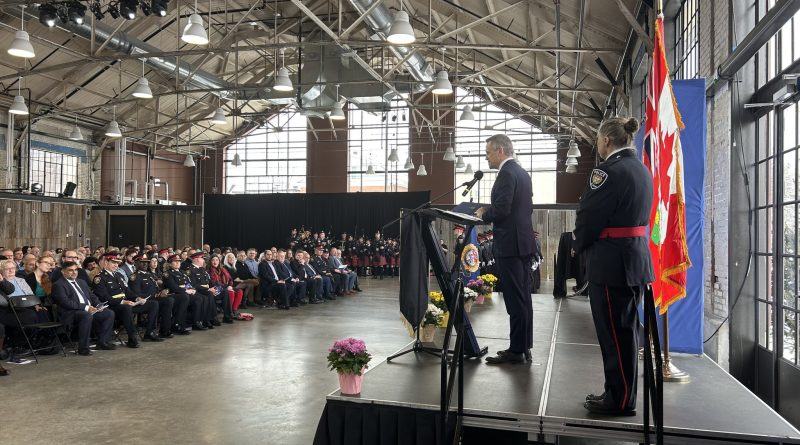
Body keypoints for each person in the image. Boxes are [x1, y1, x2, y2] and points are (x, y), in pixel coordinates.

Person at [572, 117, 653, 417]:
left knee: (614, 333)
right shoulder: (642, 169)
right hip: (634, 260)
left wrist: (577, 246)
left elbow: (589, 217)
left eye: (597, 138)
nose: (596, 143)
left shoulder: (606, 173)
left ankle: (618, 399)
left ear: (606, 140)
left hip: (610, 263)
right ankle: (619, 392)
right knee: (627, 331)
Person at [475, 134, 534, 365]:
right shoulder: (521, 172)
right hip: (522, 242)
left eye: (488, 152)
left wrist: (483, 214)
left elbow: (503, 209)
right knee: (523, 298)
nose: (486, 157)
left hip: (511, 245)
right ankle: (523, 346)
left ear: (500, 151)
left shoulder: (507, 173)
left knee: (514, 298)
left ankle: (517, 351)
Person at [91, 253, 162, 347]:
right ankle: (132, 338)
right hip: (113, 306)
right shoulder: (99, 278)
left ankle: (149, 333)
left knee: (153, 304)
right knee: (126, 308)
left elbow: (128, 291)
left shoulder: (118, 276)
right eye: (113, 263)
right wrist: (122, 302)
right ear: (106, 262)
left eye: (117, 263)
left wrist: (137, 298)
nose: (116, 265)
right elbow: (104, 298)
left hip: (126, 304)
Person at [51, 261, 116, 356]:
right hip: (71, 313)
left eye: (76, 270)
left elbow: (92, 296)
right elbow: (65, 302)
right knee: (86, 315)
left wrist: (98, 305)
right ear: (63, 272)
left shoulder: (81, 282)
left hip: (88, 310)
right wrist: (86, 308)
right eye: (70, 270)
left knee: (108, 313)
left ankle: (103, 342)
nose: (74, 272)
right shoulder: (58, 285)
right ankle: (83, 348)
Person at [185, 251, 233, 325]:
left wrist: (220, 287)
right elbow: (193, 285)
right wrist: (208, 289)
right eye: (202, 259)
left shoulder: (202, 269)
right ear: (197, 259)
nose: (204, 260)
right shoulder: (190, 270)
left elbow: (210, 282)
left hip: (208, 289)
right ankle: (212, 318)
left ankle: (227, 316)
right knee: (209, 293)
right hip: (200, 291)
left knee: (224, 292)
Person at [163, 254, 206, 331]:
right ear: (170, 263)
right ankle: (177, 324)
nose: (178, 263)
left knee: (199, 298)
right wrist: (186, 291)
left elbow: (188, 283)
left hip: (185, 293)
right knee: (185, 297)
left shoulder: (182, 272)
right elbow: (173, 287)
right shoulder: (168, 274)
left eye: (179, 261)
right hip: (174, 294)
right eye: (175, 261)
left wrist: (192, 289)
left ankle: (195, 322)